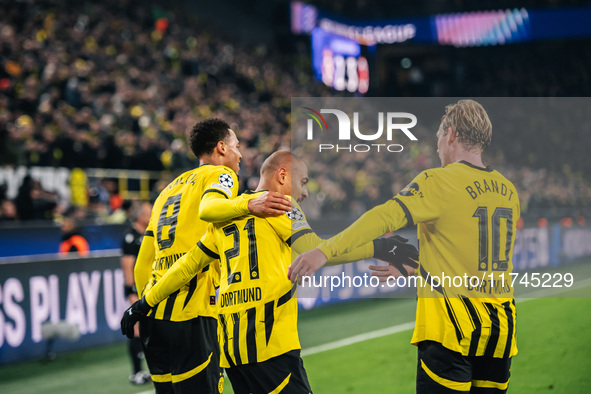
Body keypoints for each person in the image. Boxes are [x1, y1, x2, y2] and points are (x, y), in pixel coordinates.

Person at [122, 151, 418, 394]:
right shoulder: (280, 206)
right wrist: (379, 247)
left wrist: (144, 303)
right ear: (282, 176)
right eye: (302, 182)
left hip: (233, 355)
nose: (304, 192)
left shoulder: (227, 215)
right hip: (271, 347)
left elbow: (186, 266)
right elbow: (314, 250)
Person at [288, 99, 520, 394]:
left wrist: (324, 251)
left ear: (451, 135)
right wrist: (421, 266)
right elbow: (473, 253)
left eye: (438, 136)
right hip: (500, 332)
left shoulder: (439, 181)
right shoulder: (508, 189)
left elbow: (384, 216)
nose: (437, 145)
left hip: (452, 329)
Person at [132, 119, 292, 394]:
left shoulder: (167, 191)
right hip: (193, 312)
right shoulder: (220, 175)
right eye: (236, 146)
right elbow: (209, 208)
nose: (240, 154)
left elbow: (143, 261)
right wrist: (248, 203)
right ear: (221, 147)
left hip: (155, 317)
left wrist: (146, 303)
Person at [120, 201, 153, 385]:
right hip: (137, 290)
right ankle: (136, 372)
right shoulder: (130, 237)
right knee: (137, 328)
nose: (151, 215)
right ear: (140, 216)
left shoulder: (149, 234)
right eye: (148, 212)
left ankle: (147, 369)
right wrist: (131, 291)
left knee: (149, 329)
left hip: (150, 287)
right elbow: (127, 266)